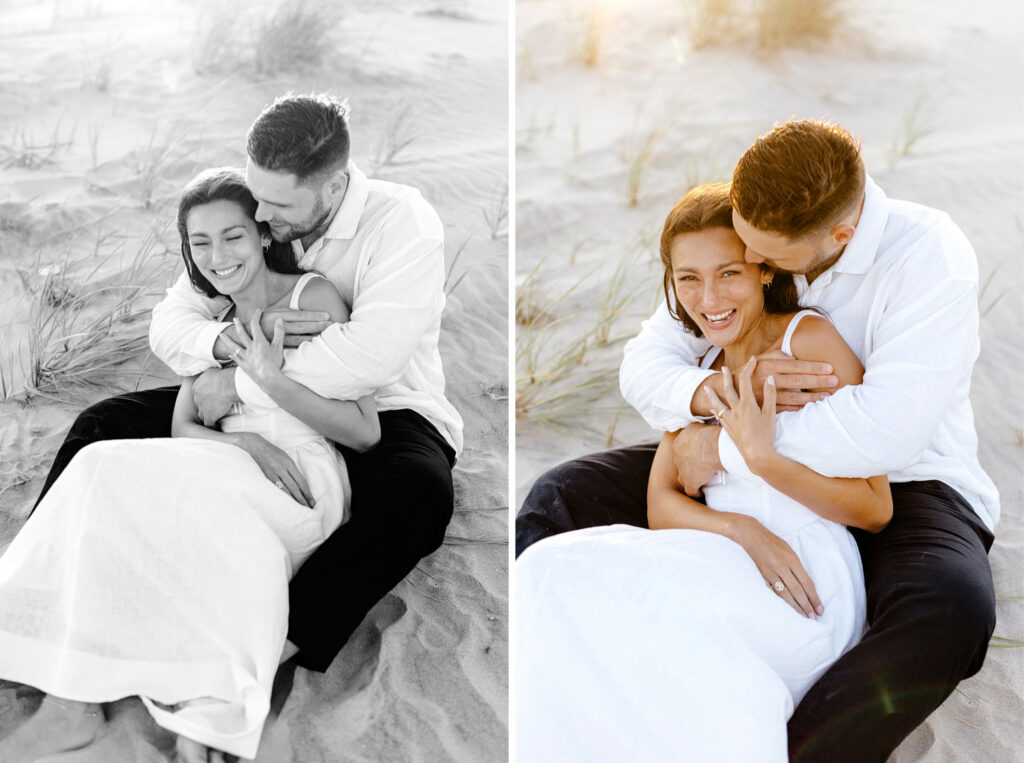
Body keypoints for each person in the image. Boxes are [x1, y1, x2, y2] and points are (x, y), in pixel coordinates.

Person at [516, 120, 998, 761]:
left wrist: (726, 448)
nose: (754, 265)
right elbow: (650, 362)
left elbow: (885, 433)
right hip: (746, 471)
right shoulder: (736, 254)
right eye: (746, 247)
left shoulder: (927, 257)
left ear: (839, 236)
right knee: (561, 499)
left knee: (950, 613)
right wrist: (712, 397)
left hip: (913, 481)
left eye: (761, 260)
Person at [31, 92, 463, 675]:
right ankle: (36, 584)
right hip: (259, 408)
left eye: (275, 205)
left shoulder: (403, 225)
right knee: (102, 424)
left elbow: (368, 360)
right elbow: (172, 323)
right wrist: (228, 349)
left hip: (386, 410)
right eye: (256, 197)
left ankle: (270, 648)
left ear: (334, 188)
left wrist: (240, 385)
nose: (261, 217)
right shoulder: (256, 215)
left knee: (418, 497)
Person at [0, 168, 379, 761]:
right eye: (200, 243)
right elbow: (185, 426)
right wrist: (246, 443)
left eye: (232, 237)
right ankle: (69, 693)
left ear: (261, 235)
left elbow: (364, 431)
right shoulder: (213, 326)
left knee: (110, 471)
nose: (218, 256)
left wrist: (267, 380)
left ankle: (81, 698)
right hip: (230, 462)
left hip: (299, 480)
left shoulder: (314, 299)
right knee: (102, 476)